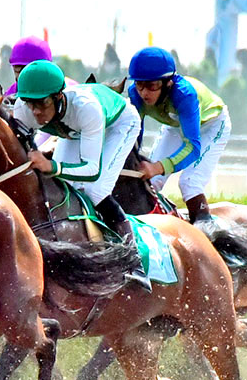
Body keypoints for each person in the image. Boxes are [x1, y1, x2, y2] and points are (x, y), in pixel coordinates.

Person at [12, 60, 150, 290]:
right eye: (29, 103)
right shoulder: (22, 110)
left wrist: (52, 166)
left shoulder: (87, 109)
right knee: (63, 183)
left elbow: (91, 170)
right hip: (72, 129)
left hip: (119, 124)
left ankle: (134, 261)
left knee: (94, 190)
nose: (35, 111)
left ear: (58, 96)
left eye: (42, 103)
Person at [127, 47, 231, 235]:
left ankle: (208, 235)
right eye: (140, 85)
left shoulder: (184, 95)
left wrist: (157, 166)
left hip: (211, 125)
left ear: (168, 83)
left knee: (189, 183)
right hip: (174, 126)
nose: (144, 93)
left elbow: (192, 147)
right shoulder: (135, 94)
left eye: (152, 86)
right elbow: (134, 136)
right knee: (152, 181)